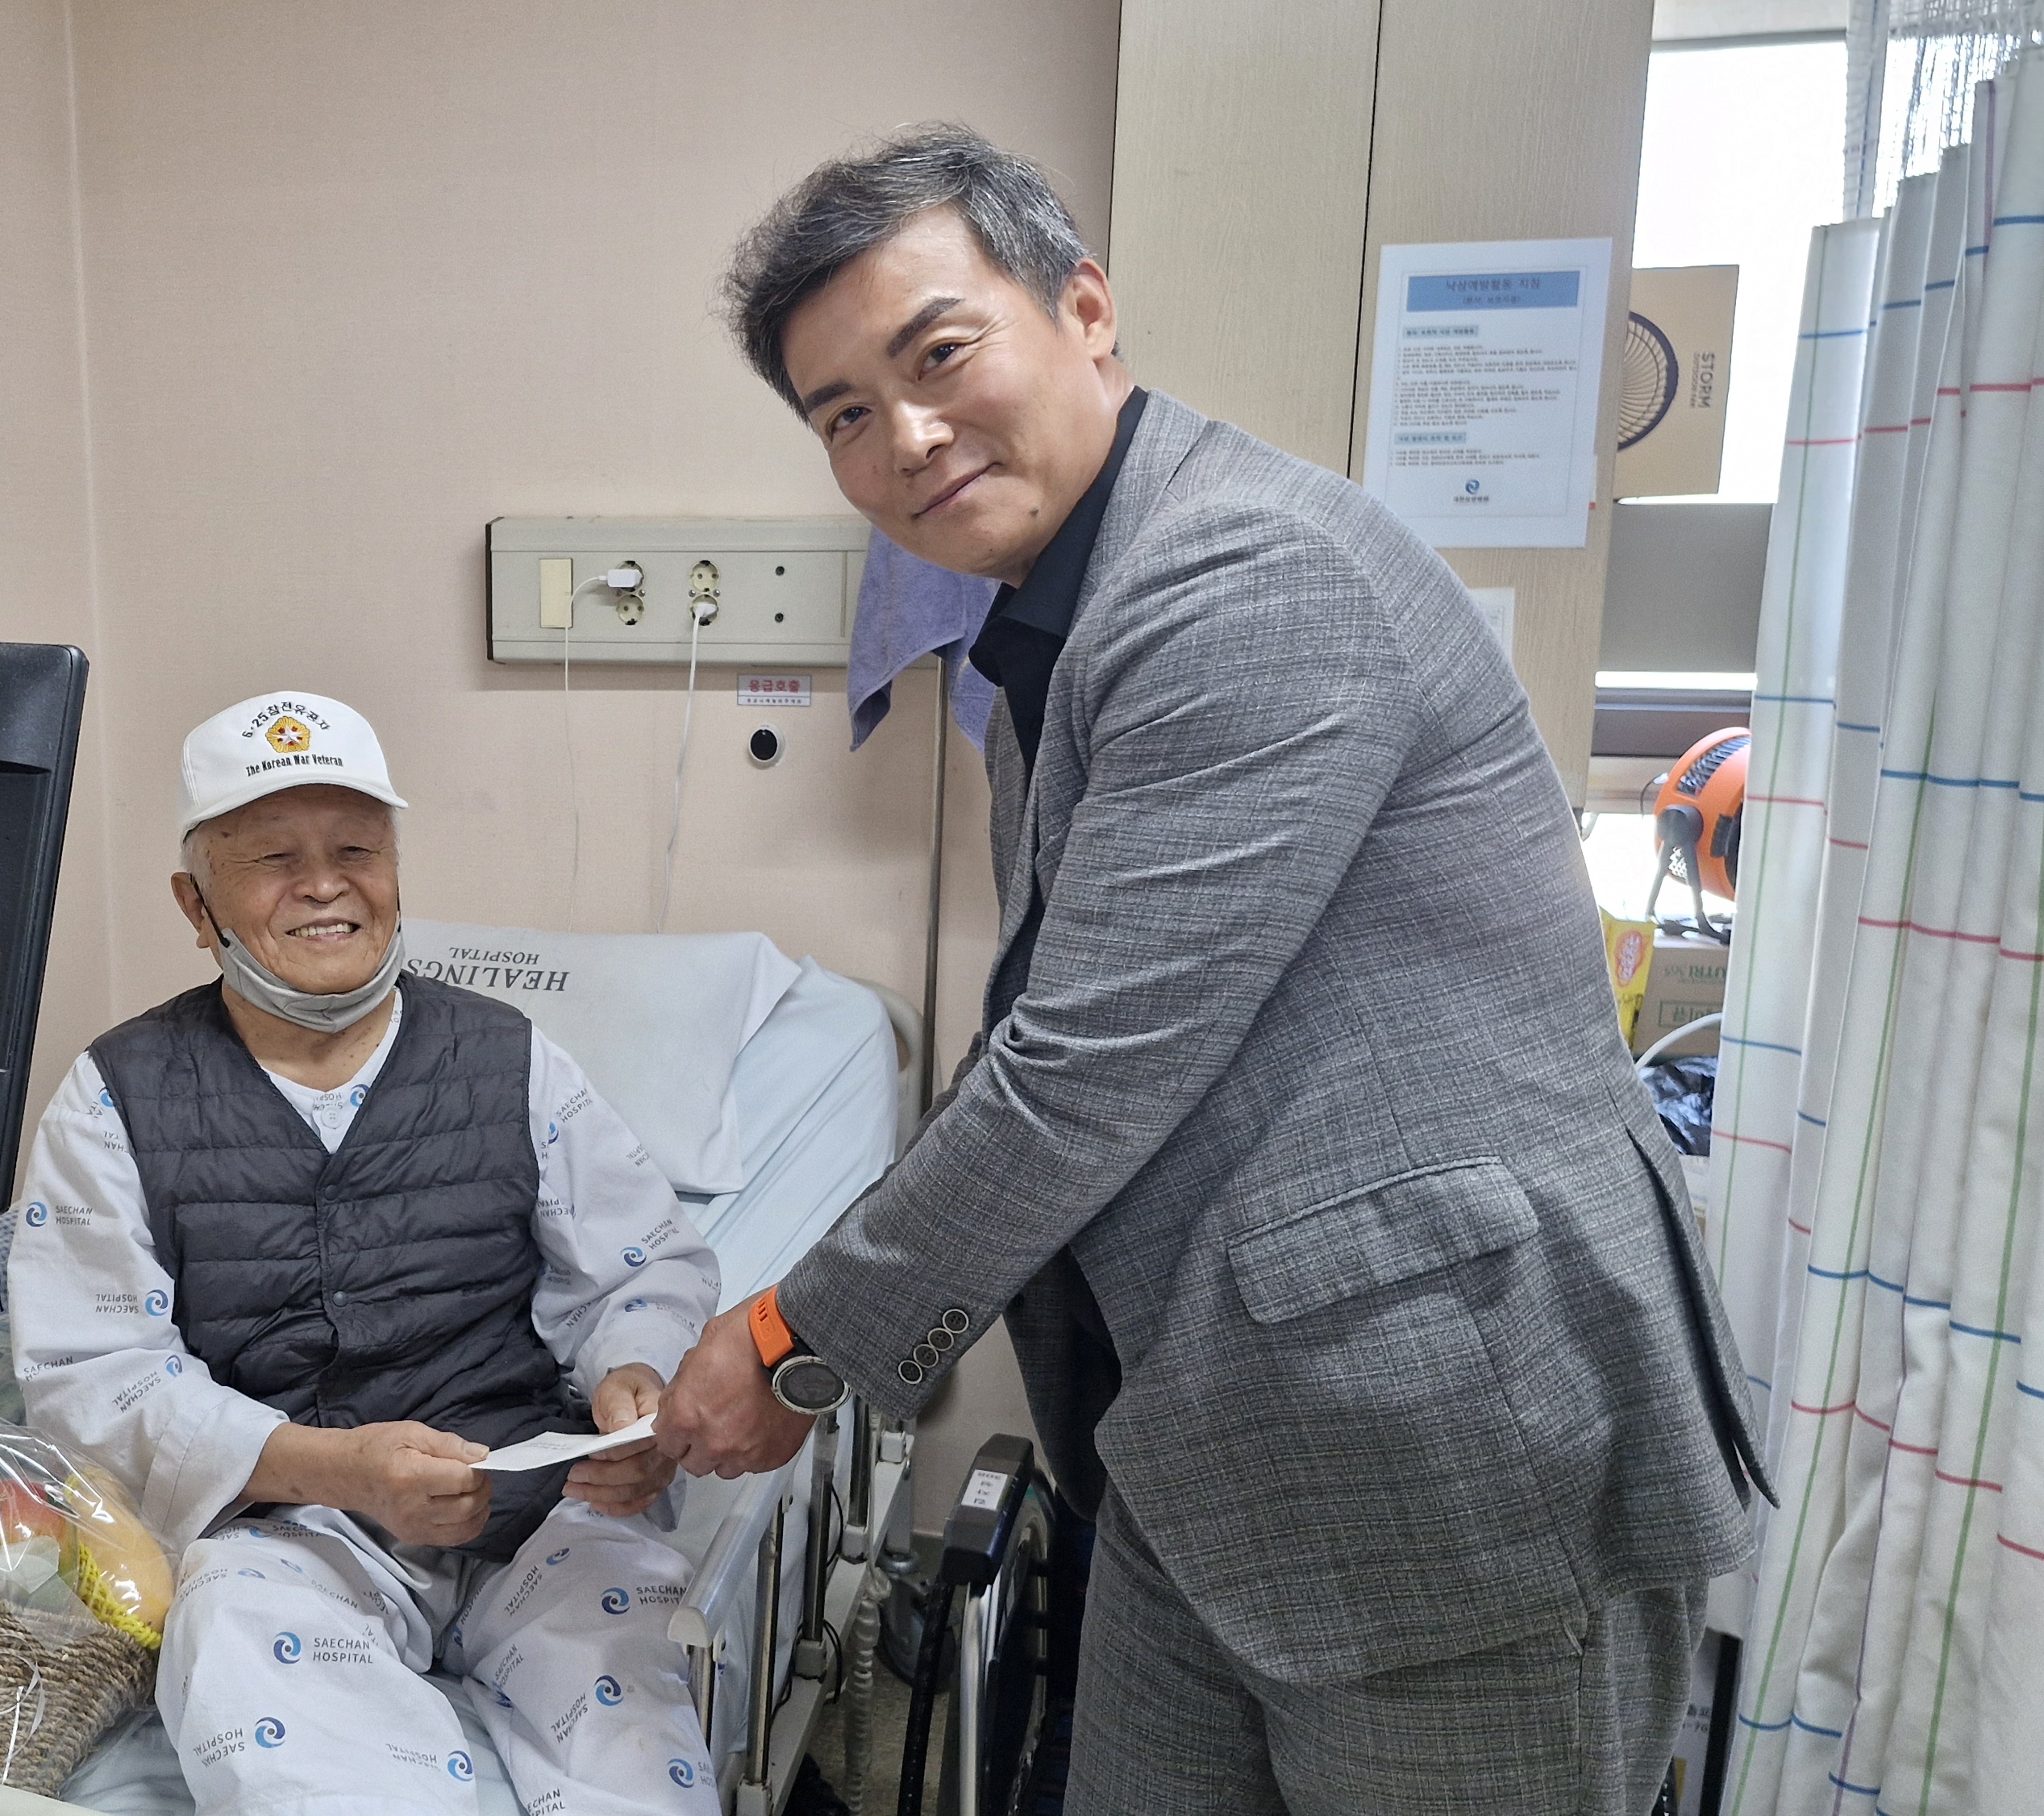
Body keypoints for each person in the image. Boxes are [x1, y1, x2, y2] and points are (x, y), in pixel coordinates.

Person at [650, 127, 1770, 1814]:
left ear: (1084, 309)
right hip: (1207, 1446)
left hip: (1453, 1447)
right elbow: (1051, 1036)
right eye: (845, 416)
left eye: (937, 356)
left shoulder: (1242, 577)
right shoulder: (1055, 625)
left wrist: (798, 1335)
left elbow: (1077, 1074)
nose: (907, 437)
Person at [9, 689, 724, 1816]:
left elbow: (641, 1268)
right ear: (196, 905)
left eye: (357, 850)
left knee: (629, 1749)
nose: (325, 885)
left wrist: (635, 1388)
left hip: (537, 1507)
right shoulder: (116, 1097)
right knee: (242, 1645)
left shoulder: (510, 1058)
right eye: (272, 859)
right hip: (294, 1525)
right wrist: (336, 1470)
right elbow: (93, 1377)